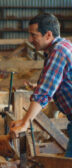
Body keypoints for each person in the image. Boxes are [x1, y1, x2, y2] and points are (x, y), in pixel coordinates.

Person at [10, 13, 72, 157]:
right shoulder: (64, 45)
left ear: (48, 35)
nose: (30, 40)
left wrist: (25, 123)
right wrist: (24, 120)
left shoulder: (59, 51)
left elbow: (44, 92)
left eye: (34, 35)